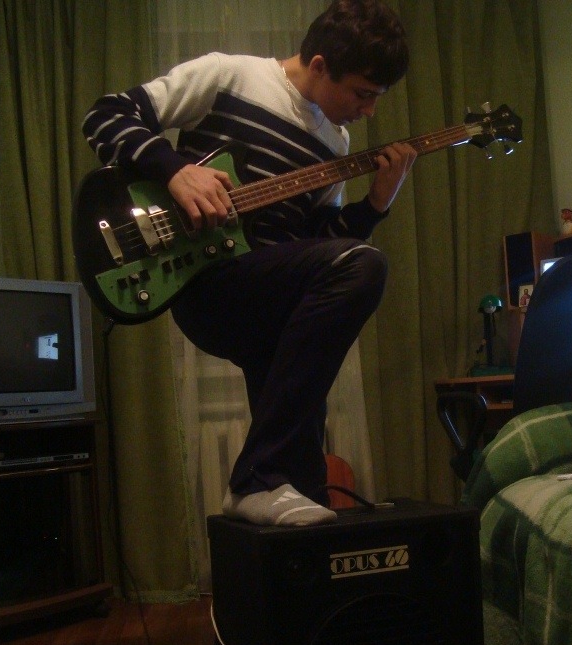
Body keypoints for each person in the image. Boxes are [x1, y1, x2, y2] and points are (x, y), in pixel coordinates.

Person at [82, 0, 416, 527]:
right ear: (321, 65)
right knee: (365, 265)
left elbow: (319, 247)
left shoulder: (335, 142)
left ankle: (278, 495)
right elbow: (104, 115)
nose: (369, 111)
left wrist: (374, 205)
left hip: (272, 292)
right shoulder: (230, 76)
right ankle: (256, 479)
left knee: (306, 487)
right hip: (208, 285)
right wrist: (175, 170)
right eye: (362, 93)